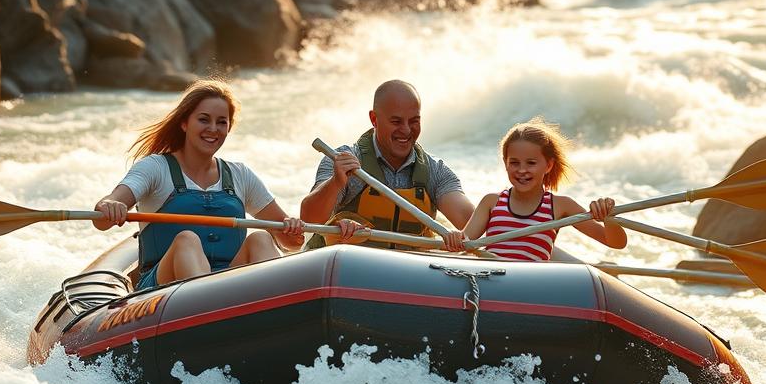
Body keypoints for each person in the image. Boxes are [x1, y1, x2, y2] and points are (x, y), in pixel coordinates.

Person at [93, 79, 309, 290]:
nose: (213, 129)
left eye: (221, 122)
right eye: (204, 120)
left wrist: (293, 230)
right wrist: (110, 205)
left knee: (261, 238)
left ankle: (276, 309)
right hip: (161, 291)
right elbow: (104, 216)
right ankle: (210, 304)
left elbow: (291, 242)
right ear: (184, 123)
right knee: (187, 240)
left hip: (230, 284)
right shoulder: (155, 167)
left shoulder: (240, 174)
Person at [300, 79, 474, 248]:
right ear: (374, 119)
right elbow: (309, 219)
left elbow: (471, 223)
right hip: (351, 268)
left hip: (409, 272)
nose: (406, 130)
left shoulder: (436, 171)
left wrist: (495, 207)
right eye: (396, 122)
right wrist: (335, 183)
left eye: (414, 121)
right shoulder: (342, 160)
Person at [442, 118, 627, 260]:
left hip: (532, 291)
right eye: (514, 163)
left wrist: (608, 217)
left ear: (548, 165)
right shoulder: (492, 202)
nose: (522, 170)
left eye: (531, 163)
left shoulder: (561, 206)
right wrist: (455, 237)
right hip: (491, 287)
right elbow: (465, 242)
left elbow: (615, 243)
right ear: (505, 164)